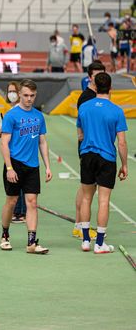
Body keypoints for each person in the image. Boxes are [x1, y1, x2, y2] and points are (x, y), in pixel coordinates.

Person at [0, 79, 52, 254]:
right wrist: (9, 168)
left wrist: (48, 166)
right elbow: (4, 144)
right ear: (20, 94)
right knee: (12, 201)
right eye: (26, 95)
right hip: (15, 164)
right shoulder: (11, 116)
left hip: (32, 166)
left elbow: (42, 142)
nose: (29, 99)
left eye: (32, 96)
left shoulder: (38, 116)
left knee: (32, 203)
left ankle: (31, 243)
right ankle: (5, 235)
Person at [77, 72, 128, 253]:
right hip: (106, 157)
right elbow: (121, 142)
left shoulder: (84, 107)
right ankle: (99, 243)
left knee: (86, 198)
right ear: (110, 88)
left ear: (95, 87)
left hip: (87, 155)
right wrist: (124, 165)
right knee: (104, 201)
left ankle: (85, 240)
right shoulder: (116, 111)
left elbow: (80, 135)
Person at [72, 61, 106, 240]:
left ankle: (79, 224)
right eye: (95, 75)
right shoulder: (87, 97)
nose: (99, 78)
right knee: (88, 190)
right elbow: (84, 127)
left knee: (86, 187)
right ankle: (79, 225)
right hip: (89, 147)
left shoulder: (99, 96)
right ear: (90, 77)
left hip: (94, 147)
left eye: (102, 74)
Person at [2, 81, 27, 224]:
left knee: (19, 183)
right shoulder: (10, 111)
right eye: (9, 91)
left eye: (14, 91)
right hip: (12, 151)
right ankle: (19, 211)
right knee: (16, 183)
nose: (11, 94)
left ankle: (20, 212)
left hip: (19, 153)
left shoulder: (18, 111)